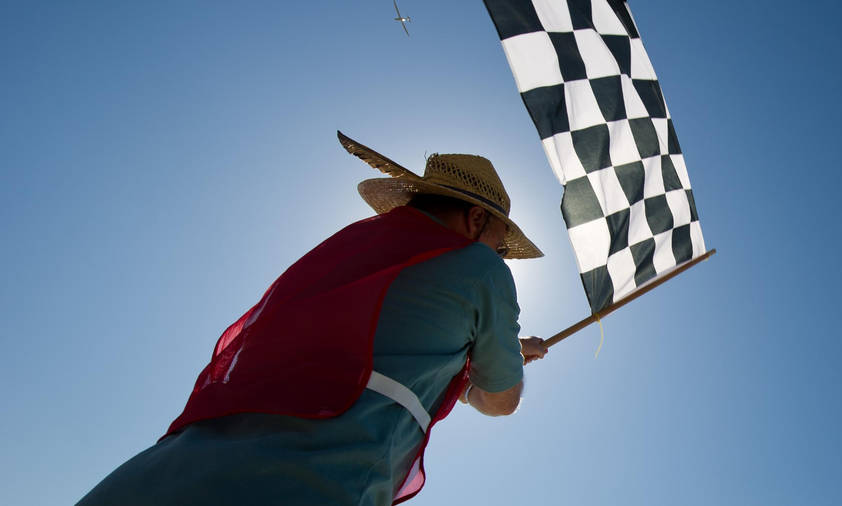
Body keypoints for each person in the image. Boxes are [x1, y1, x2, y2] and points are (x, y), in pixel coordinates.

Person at [77, 132, 547, 505]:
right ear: (475, 219)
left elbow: (390, 344)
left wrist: (480, 355)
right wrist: (502, 362)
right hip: (307, 484)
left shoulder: (352, 249)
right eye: (501, 243)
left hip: (165, 474)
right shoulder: (482, 268)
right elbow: (499, 399)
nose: (501, 254)